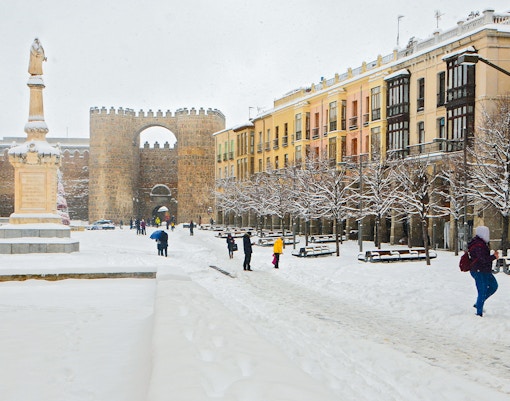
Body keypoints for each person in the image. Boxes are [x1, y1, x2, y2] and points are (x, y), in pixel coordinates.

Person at [468, 225, 499, 317]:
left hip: (484, 270)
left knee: (493, 286)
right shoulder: (478, 245)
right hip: (479, 271)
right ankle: (479, 313)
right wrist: (494, 257)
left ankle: (478, 304)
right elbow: (483, 259)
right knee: (482, 290)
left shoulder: (481, 243)